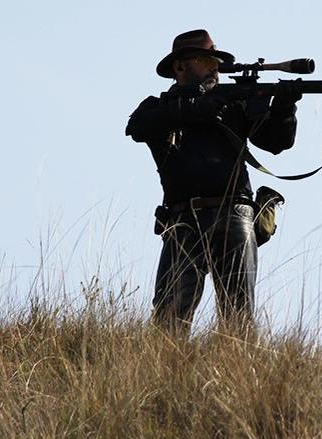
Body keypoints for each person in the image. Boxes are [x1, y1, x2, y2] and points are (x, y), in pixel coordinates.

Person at [125, 29, 301, 335]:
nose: (214, 67)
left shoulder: (231, 105)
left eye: (215, 60)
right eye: (206, 60)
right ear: (181, 66)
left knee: (238, 316)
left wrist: (285, 109)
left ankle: (241, 376)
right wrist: (196, 109)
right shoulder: (160, 107)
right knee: (170, 318)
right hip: (183, 218)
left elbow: (276, 142)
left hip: (235, 215)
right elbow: (138, 127)